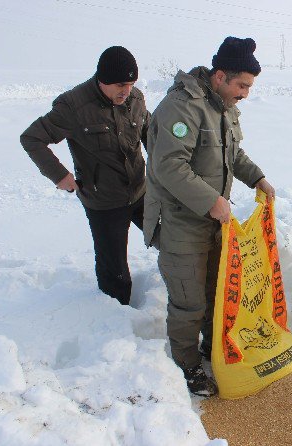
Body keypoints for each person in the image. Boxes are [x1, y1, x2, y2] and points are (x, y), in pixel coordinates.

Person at [144, 37, 275, 397]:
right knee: (189, 300)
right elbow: (168, 165)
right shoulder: (181, 108)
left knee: (217, 292)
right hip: (181, 221)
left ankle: (209, 348)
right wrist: (211, 201)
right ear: (220, 75)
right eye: (242, 85)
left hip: (214, 221)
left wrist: (258, 177)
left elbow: (232, 152)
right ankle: (185, 365)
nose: (246, 93)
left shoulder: (224, 105)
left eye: (249, 86)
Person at [21, 46, 149, 306]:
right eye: (121, 84)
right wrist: (59, 175)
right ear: (102, 80)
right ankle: (116, 320)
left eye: (132, 83)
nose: (127, 90)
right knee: (115, 272)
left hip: (140, 191)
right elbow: (32, 138)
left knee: (172, 240)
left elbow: (149, 133)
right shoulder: (73, 106)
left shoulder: (135, 98)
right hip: (104, 202)